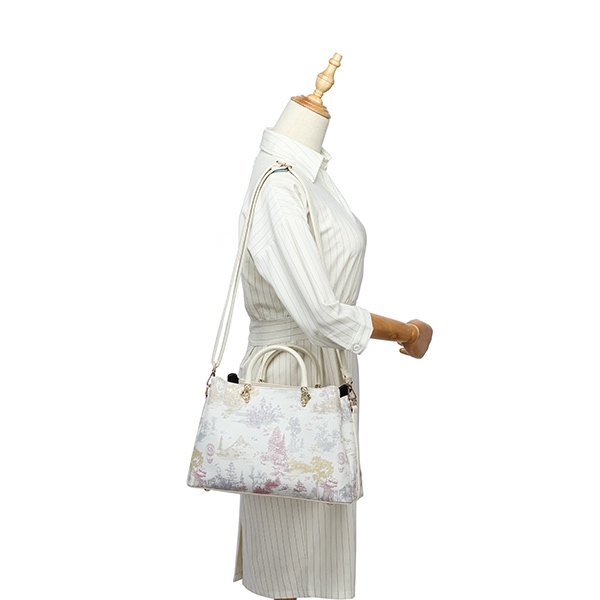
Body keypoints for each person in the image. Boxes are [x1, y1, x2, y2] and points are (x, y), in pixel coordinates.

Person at [233, 55, 432, 600]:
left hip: (326, 371)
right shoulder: (278, 184)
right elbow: (321, 313)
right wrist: (407, 333)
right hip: (286, 376)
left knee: (317, 543)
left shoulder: (310, 174)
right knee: (286, 548)